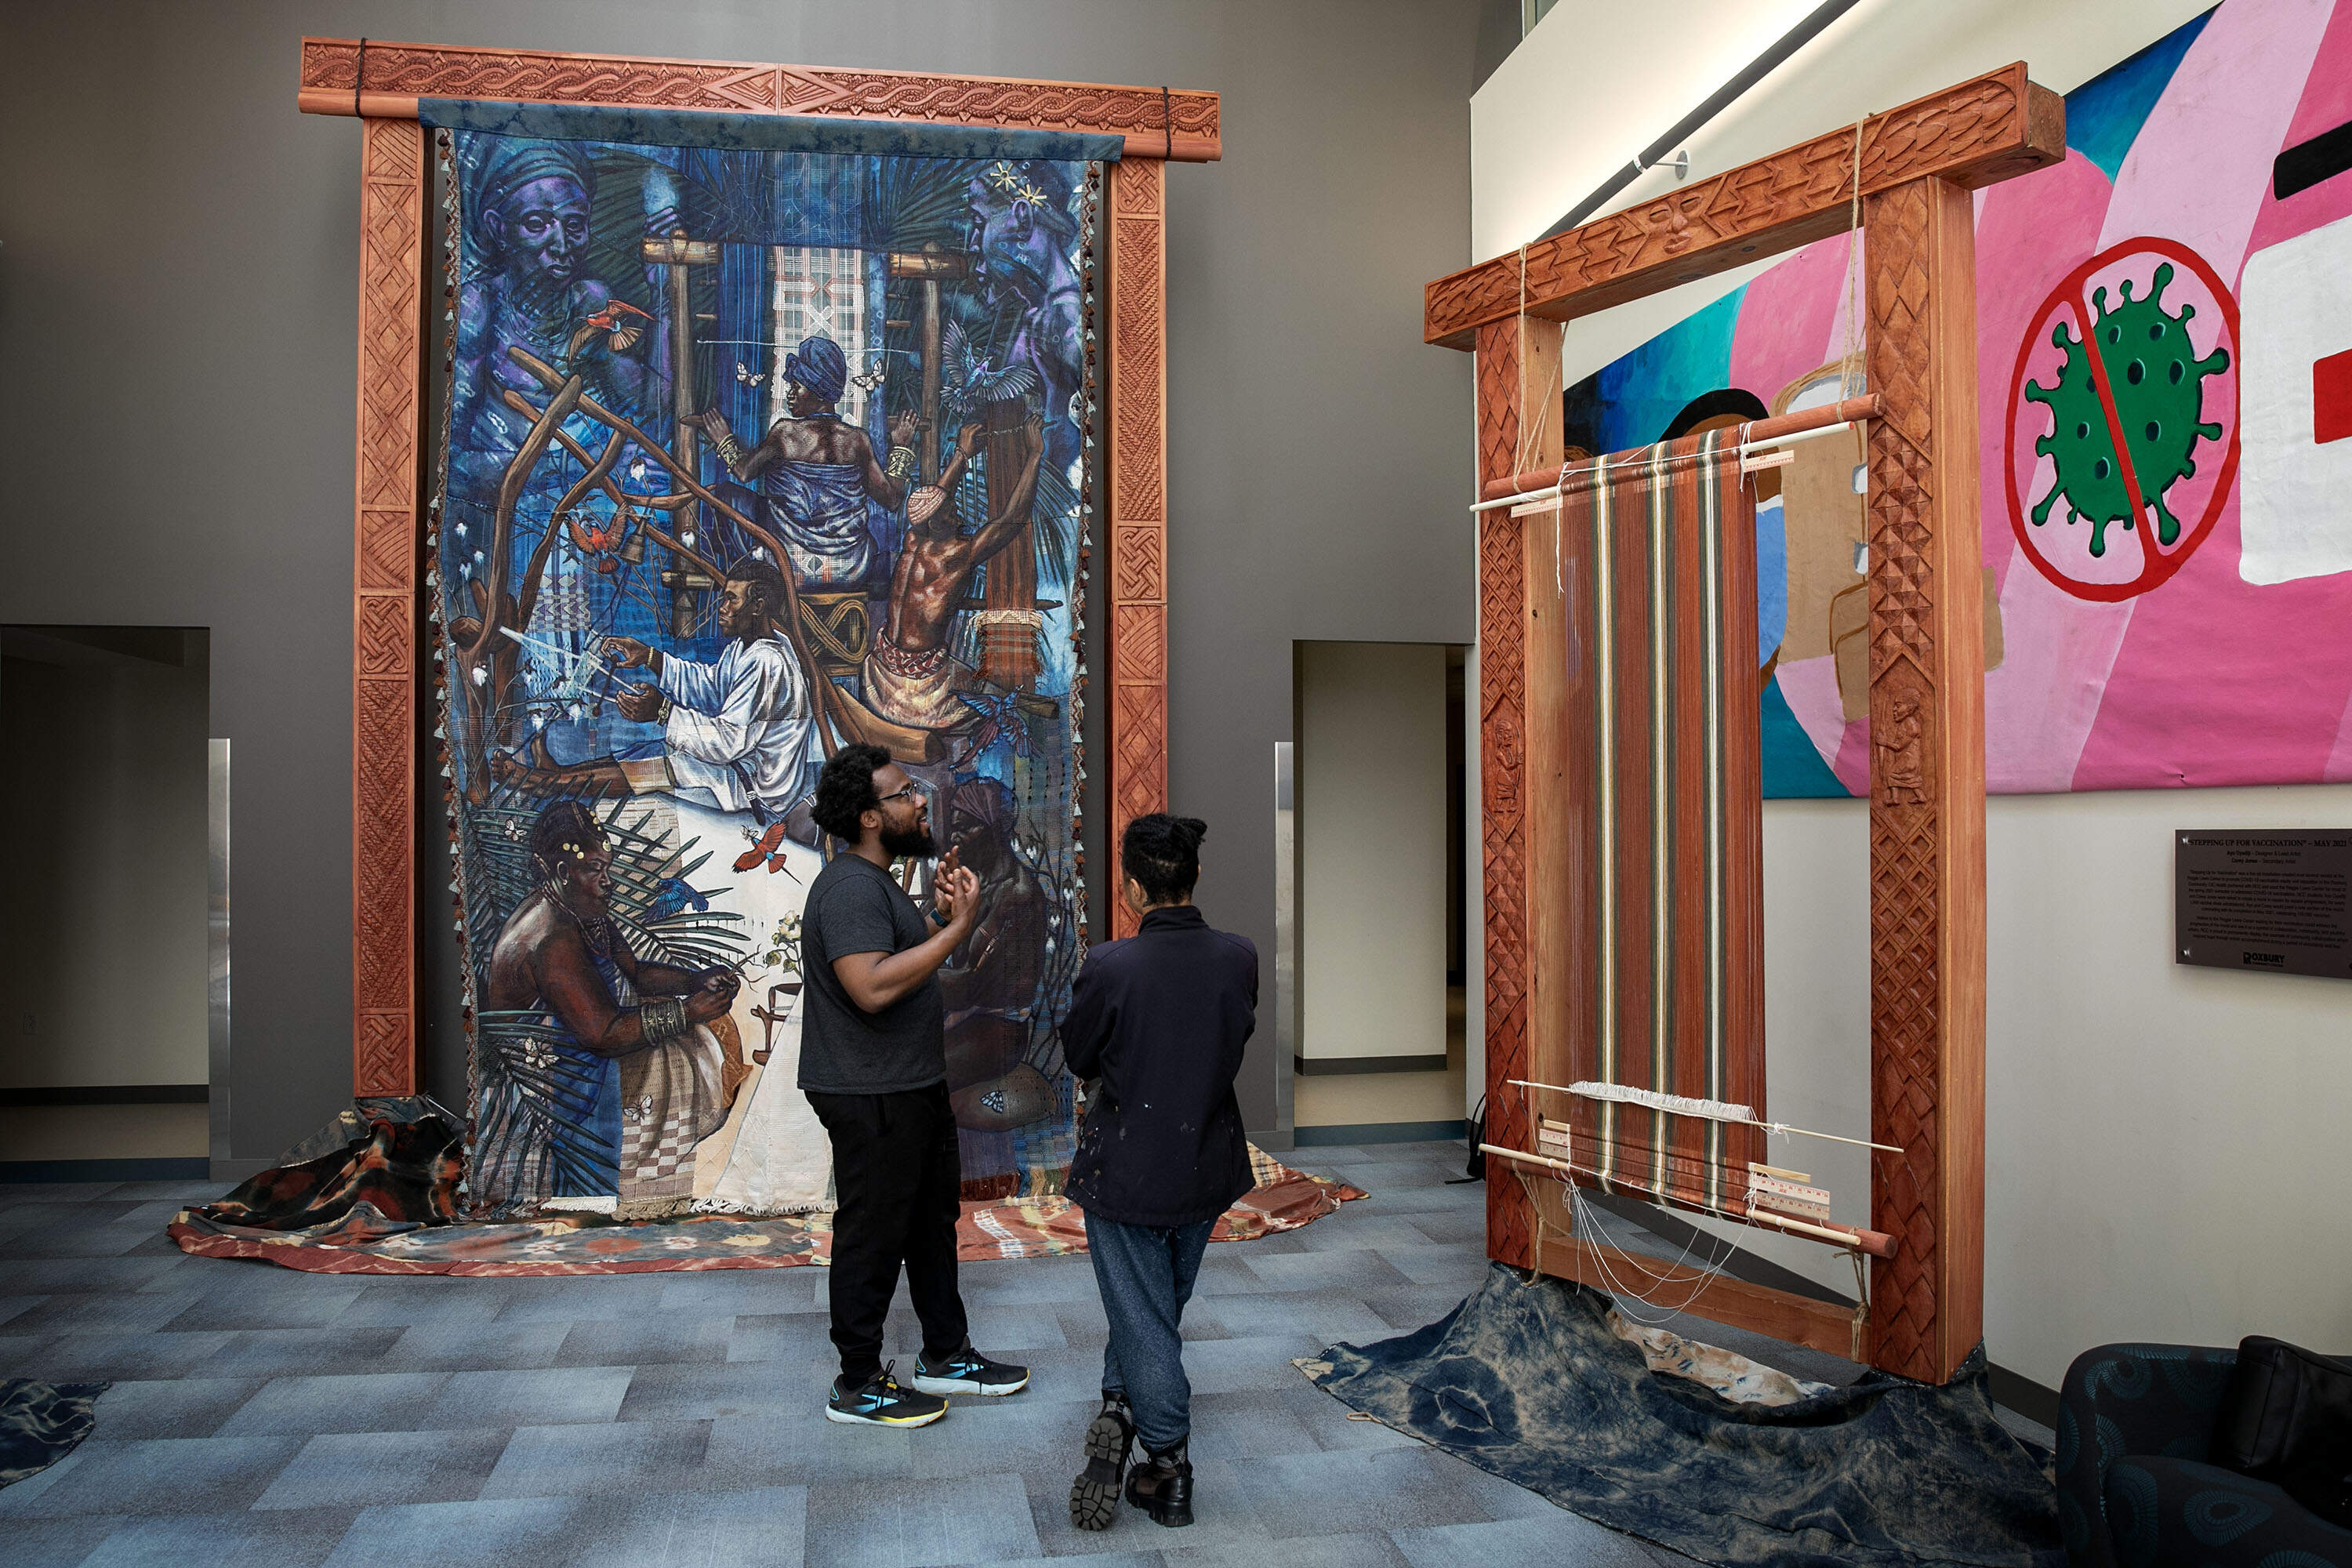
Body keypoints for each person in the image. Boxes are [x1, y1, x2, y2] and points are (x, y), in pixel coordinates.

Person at [800, 742, 1030, 1425]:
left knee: (931, 1224)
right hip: (871, 1090)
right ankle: (858, 1382)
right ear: (871, 817)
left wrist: (936, 921)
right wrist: (958, 928)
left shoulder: (878, 887)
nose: (920, 800)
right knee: (873, 1231)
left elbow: (897, 963)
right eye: (904, 794)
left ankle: (946, 1353)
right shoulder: (848, 888)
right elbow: (869, 988)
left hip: (910, 1082)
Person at [1062, 814, 1255, 1531]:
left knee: (1143, 1314)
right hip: (1205, 1165)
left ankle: (1169, 1465)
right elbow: (1229, 1042)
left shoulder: (1111, 966)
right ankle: (1119, 1402)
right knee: (1151, 1309)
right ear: (1195, 877)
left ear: (1132, 888)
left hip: (1127, 1171)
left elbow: (1080, 1057)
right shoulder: (1240, 957)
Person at [477, 800, 739, 1205]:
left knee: (697, 1042)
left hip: (585, 1059)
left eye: (607, 868)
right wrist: (688, 1010)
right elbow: (601, 1034)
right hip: (555, 1096)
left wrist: (694, 980)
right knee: (689, 1051)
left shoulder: (580, 910)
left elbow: (634, 970)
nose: (608, 881)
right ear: (564, 873)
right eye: (595, 870)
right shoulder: (551, 935)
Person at [491, 557, 820, 835]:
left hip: (754, 787)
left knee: (654, 767)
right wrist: (651, 657)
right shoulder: (746, 648)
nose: (722, 608)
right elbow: (709, 686)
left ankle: (544, 783)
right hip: (742, 763)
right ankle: (555, 775)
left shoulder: (768, 661)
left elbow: (726, 743)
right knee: (641, 751)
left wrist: (663, 712)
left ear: (757, 606)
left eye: (732, 600)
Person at [696, 336, 920, 591]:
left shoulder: (785, 432)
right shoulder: (858, 441)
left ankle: (745, 581)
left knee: (725, 495)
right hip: (850, 569)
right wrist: (901, 446)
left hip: (787, 568)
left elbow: (744, 472)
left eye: (796, 386)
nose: (790, 394)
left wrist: (724, 440)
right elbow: (892, 499)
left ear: (818, 391)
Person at [865, 417, 1046, 731]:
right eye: (951, 511)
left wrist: (962, 454)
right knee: (999, 706)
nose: (957, 511)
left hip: (879, 677)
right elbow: (1014, 518)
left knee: (987, 689)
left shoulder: (913, 539)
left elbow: (934, 501)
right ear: (937, 522)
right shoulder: (957, 554)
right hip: (920, 697)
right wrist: (1034, 454)